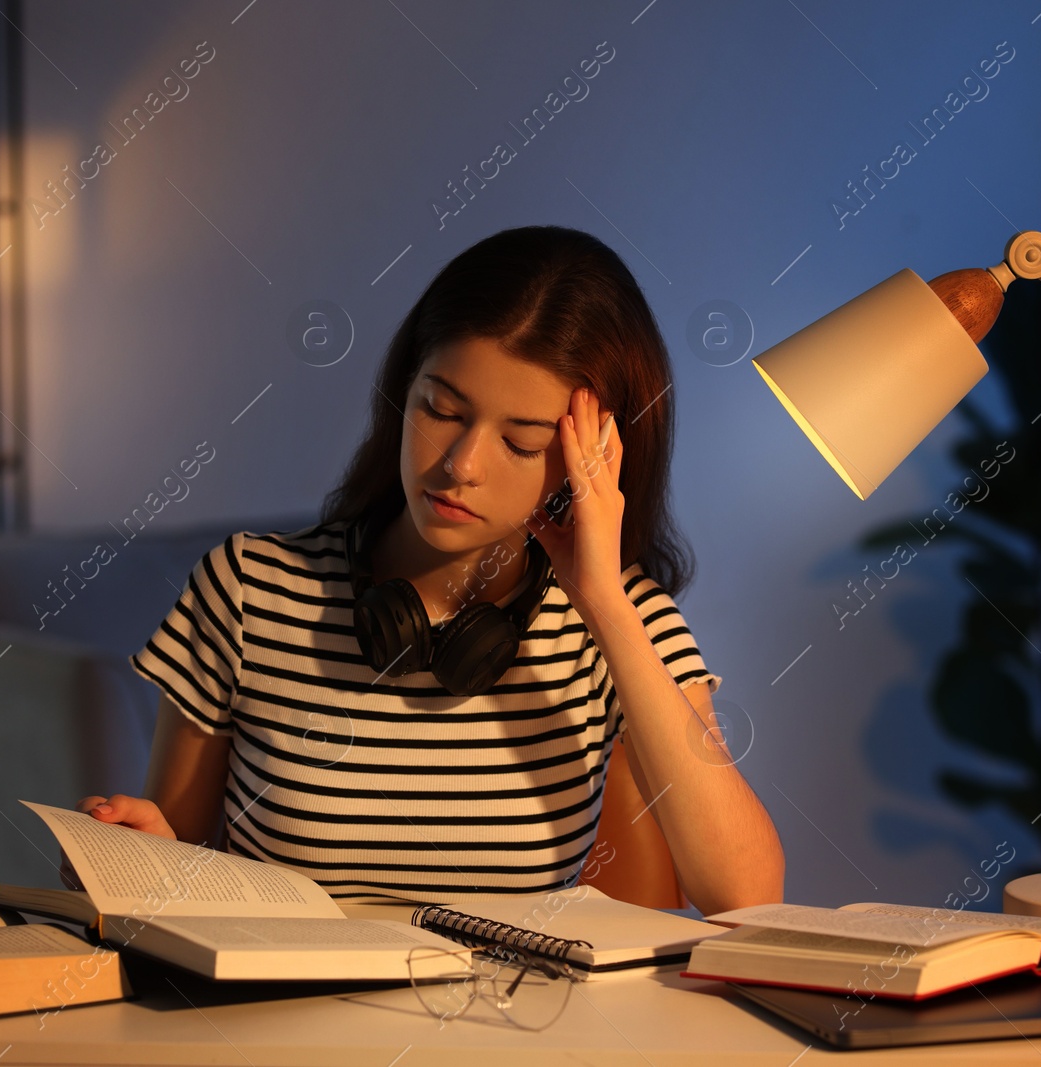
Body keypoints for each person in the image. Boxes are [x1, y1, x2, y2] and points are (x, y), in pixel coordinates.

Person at [75, 225, 784, 915]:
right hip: (282, 1024)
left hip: (517, 1030)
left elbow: (744, 894)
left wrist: (601, 598)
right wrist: (141, 860)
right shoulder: (246, 590)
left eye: (519, 440)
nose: (461, 466)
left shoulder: (626, 621)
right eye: (441, 410)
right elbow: (179, 867)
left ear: (590, 461)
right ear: (403, 393)